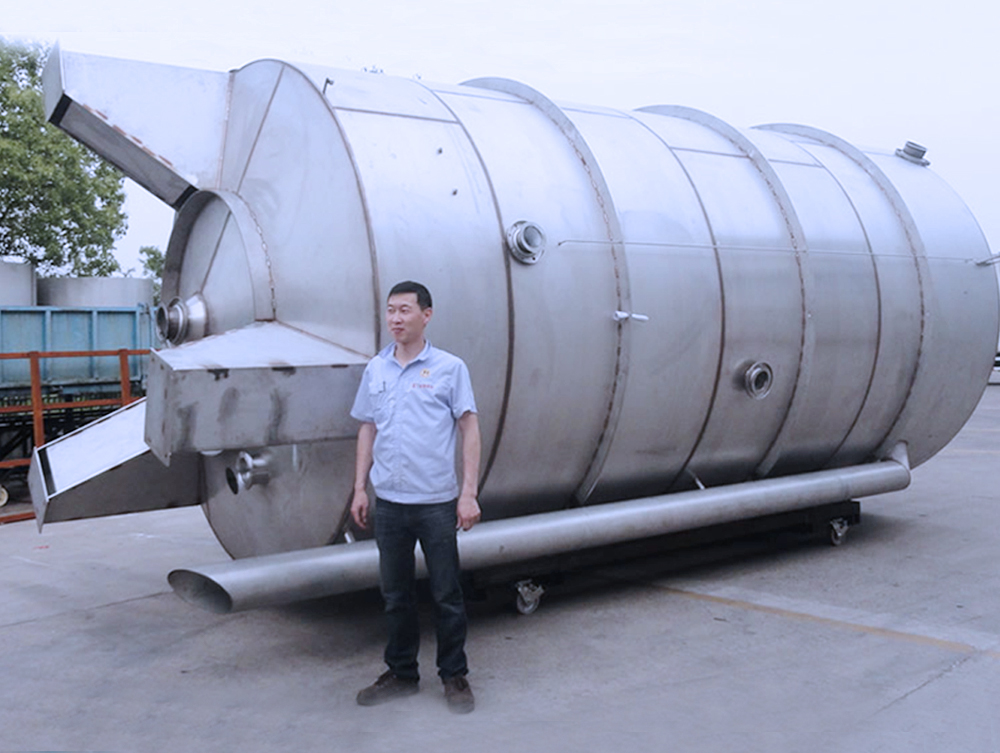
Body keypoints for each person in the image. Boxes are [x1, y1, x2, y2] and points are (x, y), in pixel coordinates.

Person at [350, 280, 482, 714]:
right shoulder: (376, 369)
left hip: (436, 502)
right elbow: (367, 427)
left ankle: (454, 675)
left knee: (446, 594)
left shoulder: (449, 368)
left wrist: (468, 493)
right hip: (389, 503)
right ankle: (402, 673)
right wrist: (359, 488)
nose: (395, 319)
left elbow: (469, 428)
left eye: (404, 310)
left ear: (427, 315)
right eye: (391, 310)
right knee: (395, 595)